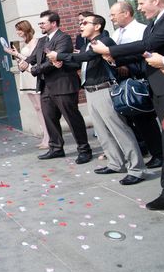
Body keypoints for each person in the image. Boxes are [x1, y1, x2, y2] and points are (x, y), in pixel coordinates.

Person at [91, 0, 164, 210]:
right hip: (162, 86)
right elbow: (145, 53)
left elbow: (149, 45)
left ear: (156, 0)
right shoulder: (157, 21)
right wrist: (114, 57)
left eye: (141, 3)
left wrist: (110, 50)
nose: (139, 8)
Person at [48, 14, 146, 185]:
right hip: (91, 91)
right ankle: (116, 163)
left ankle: (137, 169)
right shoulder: (87, 45)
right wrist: (61, 63)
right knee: (102, 132)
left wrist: (61, 56)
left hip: (104, 89)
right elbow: (80, 64)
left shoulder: (104, 41)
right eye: (80, 23)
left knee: (119, 130)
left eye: (84, 23)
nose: (80, 26)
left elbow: (87, 58)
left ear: (97, 26)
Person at [18, 10, 92, 164]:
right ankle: (56, 148)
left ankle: (84, 150)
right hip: (46, 86)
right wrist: (25, 62)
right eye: (39, 23)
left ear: (53, 23)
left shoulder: (63, 38)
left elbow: (54, 61)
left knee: (72, 118)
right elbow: (34, 57)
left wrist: (34, 70)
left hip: (63, 84)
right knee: (49, 118)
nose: (40, 25)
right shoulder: (42, 41)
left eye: (42, 23)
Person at [109, 1, 163, 168]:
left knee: (146, 119)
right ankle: (146, 148)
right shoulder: (116, 33)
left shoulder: (140, 30)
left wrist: (125, 64)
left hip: (140, 79)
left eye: (114, 14)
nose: (112, 18)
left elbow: (145, 54)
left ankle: (159, 154)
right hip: (123, 81)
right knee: (134, 119)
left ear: (126, 13)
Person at [4, 20, 49, 148]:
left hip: (34, 76)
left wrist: (17, 54)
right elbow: (25, 61)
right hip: (26, 75)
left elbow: (34, 60)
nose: (18, 32)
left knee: (41, 107)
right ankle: (45, 136)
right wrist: (15, 55)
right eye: (17, 30)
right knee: (36, 108)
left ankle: (49, 137)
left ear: (26, 29)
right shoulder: (24, 43)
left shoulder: (36, 42)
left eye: (20, 29)